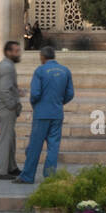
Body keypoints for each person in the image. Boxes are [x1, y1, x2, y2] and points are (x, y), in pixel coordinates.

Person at [14, 46, 74, 184]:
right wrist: (59, 102)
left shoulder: (40, 71)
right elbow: (70, 94)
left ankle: (27, 176)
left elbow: (35, 94)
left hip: (41, 113)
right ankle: (50, 177)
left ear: (42, 57)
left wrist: (35, 104)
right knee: (53, 147)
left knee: (35, 146)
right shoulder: (65, 71)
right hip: (57, 113)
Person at [0, 40, 23, 180]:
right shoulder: (7, 67)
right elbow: (4, 90)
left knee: (10, 138)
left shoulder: (4, 65)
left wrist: (17, 92)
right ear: (8, 52)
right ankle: (0, 171)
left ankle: (11, 167)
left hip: (2, 107)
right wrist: (12, 105)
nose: (18, 53)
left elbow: (8, 87)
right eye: (15, 51)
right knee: (6, 139)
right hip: (5, 109)